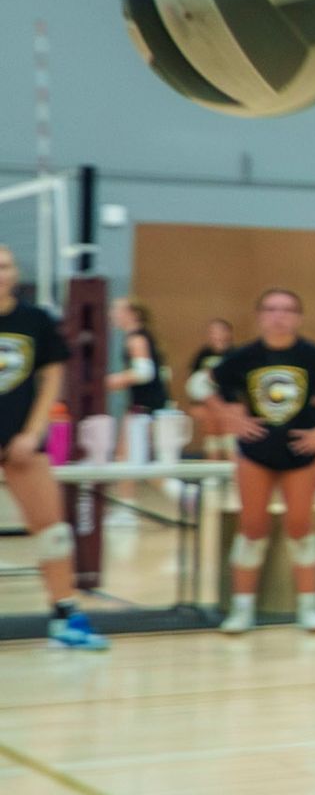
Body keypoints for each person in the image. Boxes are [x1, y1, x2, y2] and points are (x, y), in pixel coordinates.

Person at [192, 288, 315, 634]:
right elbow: (199, 384)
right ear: (260, 316)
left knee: (301, 527)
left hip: (299, 454)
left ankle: (309, 607)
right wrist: (228, 417)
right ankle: (242, 610)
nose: (279, 316)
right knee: (252, 528)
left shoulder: (312, 356)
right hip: (255, 454)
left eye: (287, 310)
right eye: (271, 309)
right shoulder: (244, 357)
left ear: (298, 318)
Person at [0, 246, 109, 649]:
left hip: (23, 440)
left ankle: (66, 616)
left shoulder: (36, 320)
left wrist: (31, 433)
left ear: (14, 272)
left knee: (52, 531)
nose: (0, 273)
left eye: (6, 265)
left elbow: (50, 380)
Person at [105, 296, 170, 414]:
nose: (112, 314)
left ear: (133, 314)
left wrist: (110, 381)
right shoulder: (138, 336)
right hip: (143, 403)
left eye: (117, 310)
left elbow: (144, 372)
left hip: (149, 405)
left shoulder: (136, 338)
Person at [186, 319, 237, 459]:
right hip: (206, 404)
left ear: (228, 333)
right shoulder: (203, 354)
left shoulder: (235, 354)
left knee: (229, 436)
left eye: (220, 331)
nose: (216, 335)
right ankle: (212, 473)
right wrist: (196, 403)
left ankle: (232, 474)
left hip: (228, 403)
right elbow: (194, 381)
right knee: (211, 435)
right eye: (212, 332)